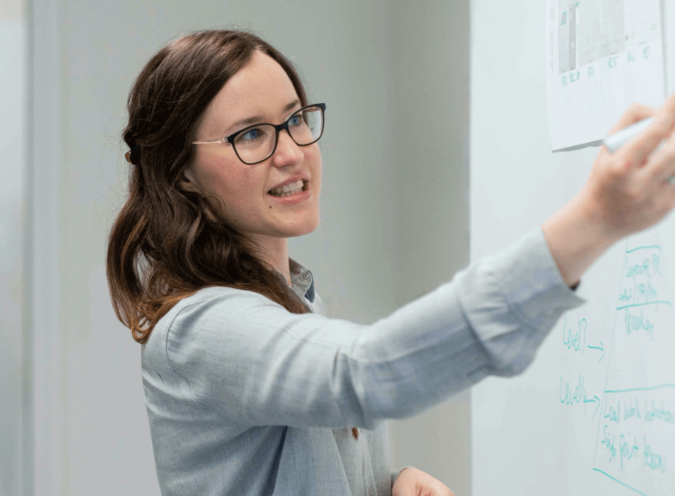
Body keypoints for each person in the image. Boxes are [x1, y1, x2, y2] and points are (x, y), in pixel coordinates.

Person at [106, 29, 675, 496]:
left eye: (296, 119)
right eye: (251, 135)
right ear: (182, 172)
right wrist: (593, 222)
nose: (292, 152)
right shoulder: (200, 331)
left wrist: (383, 485)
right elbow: (366, 373)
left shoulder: (294, 301)